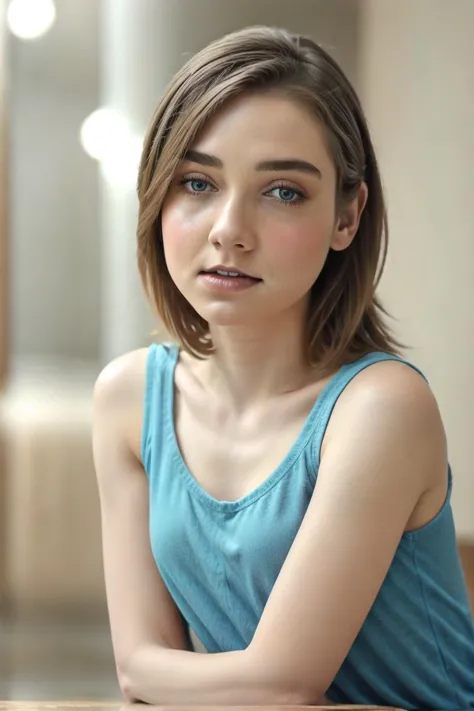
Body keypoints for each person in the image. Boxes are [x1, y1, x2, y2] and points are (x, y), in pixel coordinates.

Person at [92, 25, 474, 709]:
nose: (230, 229)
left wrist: (168, 676)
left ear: (347, 217)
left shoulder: (380, 407)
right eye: (198, 181)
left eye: (284, 193)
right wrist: (167, 675)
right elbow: (135, 670)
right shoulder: (128, 400)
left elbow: (280, 683)